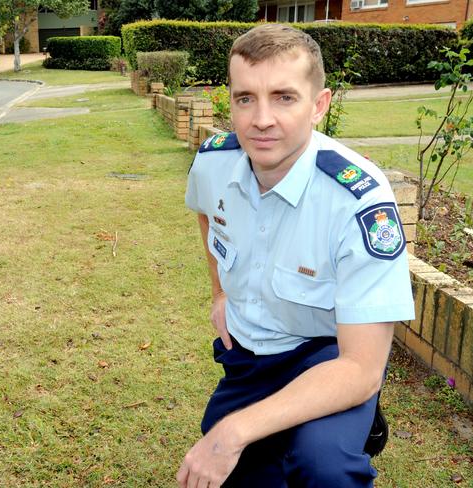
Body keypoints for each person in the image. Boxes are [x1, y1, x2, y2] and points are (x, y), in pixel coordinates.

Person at [177, 24, 415, 488]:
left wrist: (234, 430)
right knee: (241, 476)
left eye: (284, 97)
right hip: (249, 351)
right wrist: (219, 291)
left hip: (327, 356)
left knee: (321, 467)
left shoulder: (358, 201)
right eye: (245, 97)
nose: (261, 118)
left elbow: (361, 368)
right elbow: (207, 214)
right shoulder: (214, 161)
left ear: (319, 105)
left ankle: (342, 425)